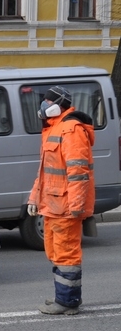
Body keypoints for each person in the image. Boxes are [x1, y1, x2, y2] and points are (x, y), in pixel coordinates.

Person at [27, 85, 95, 315]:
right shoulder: (54, 129)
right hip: (52, 204)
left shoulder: (71, 129)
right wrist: (34, 198)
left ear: (57, 105)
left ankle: (68, 302)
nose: (43, 106)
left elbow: (78, 171)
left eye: (47, 101)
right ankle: (63, 296)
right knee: (55, 252)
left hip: (65, 205)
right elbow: (45, 172)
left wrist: (76, 206)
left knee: (66, 253)